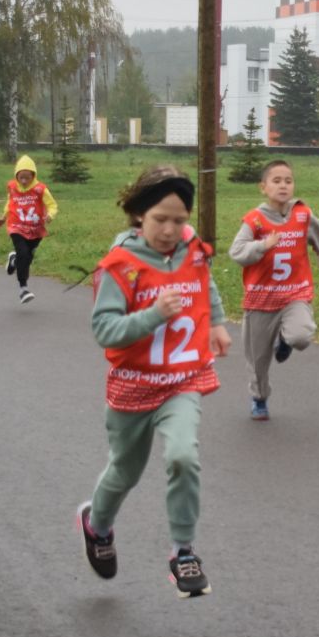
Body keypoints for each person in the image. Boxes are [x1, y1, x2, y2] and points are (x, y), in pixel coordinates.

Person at [77, 165, 232, 598]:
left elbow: (204, 280)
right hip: (133, 384)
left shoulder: (191, 248)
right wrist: (153, 316)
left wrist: (217, 322)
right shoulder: (119, 267)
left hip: (182, 378)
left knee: (183, 455)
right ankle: (97, 526)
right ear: (138, 216)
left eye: (179, 220)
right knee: (124, 471)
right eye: (160, 219)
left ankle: (184, 551)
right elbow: (104, 331)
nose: (170, 229)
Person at [227, 159, 319, 420]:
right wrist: (262, 246)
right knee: (258, 360)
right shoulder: (254, 221)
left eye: (288, 181)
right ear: (263, 187)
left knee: (302, 335)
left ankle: (286, 340)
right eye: (276, 181)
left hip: (294, 293)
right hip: (260, 299)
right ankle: (259, 398)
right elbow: (237, 253)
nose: (283, 186)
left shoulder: (303, 215)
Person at [0, 154, 57, 305]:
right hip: (17, 226)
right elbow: (10, 204)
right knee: (23, 253)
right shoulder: (13, 187)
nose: (24, 181)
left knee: (26, 258)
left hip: (35, 229)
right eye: (21, 177)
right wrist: (4, 217)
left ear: (33, 176)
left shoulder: (40, 189)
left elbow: (52, 205)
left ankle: (14, 261)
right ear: (16, 176)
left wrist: (50, 216)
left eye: (27, 177)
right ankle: (23, 288)